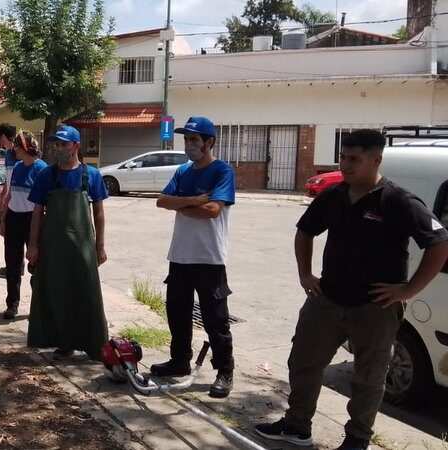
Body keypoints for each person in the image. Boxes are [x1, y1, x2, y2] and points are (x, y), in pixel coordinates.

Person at [254, 130, 448, 450]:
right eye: (343, 157)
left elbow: (439, 243)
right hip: (326, 299)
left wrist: (408, 290)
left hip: (374, 307)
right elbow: (305, 232)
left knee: (368, 377)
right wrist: (305, 274)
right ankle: (297, 425)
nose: (345, 164)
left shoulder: (397, 200)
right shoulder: (334, 195)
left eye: (354, 159)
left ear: (376, 160)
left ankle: (357, 439)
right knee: (303, 361)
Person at [150, 116, 236, 399]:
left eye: (194, 140)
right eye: (186, 139)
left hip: (209, 257)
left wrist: (182, 205)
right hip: (180, 256)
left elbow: (213, 210)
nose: (189, 145)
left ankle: (224, 370)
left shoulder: (222, 170)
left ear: (210, 142)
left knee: (215, 319)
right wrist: (196, 200)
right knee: (177, 312)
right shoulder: (183, 171)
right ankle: (179, 362)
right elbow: (162, 201)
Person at [26, 125, 109, 360]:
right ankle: (63, 342)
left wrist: (100, 246)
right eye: (56, 144)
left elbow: (99, 213)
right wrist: (33, 245)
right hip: (53, 248)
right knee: (56, 292)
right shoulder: (47, 175)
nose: (59, 148)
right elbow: (37, 213)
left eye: (64, 144)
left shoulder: (90, 175)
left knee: (86, 293)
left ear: (76, 146)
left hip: (83, 248)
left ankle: (93, 343)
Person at [0, 131, 47, 320]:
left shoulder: (42, 169)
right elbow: (10, 195)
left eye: (16, 147)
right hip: (14, 219)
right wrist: (3, 220)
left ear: (25, 148)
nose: (14, 150)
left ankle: (39, 304)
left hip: (32, 221)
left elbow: (44, 202)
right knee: (12, 263)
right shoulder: (17, 167)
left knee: (37, 264)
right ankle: (12, 304)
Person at [0, 123, 19, 277]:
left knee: (13, 236)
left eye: (0, 135)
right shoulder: (8, 154)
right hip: (9, 198)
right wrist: (2, 198)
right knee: (10, 236)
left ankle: (14, 266)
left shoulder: (17, 153)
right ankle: (13, 265)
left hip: (17, 199)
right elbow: (7, 180)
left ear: (4, 136)